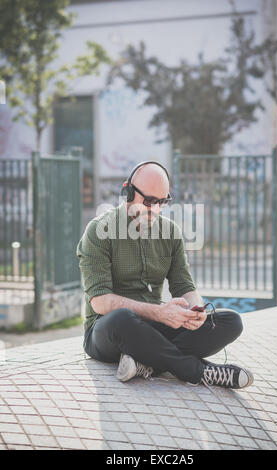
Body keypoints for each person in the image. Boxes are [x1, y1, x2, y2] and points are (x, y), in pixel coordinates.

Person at [76, 161, 254, 389]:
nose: (156, 209)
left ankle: (146, 364)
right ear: (128, 192)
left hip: (152, 328)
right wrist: (159, 313)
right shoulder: (98, 231)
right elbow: (101, 302)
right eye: (149, 201)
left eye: (163, 201)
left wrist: (194, 311)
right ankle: (199, 371)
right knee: (121, 318)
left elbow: (184, 285)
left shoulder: (170, 232)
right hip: (106, 331)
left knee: (230, 321)